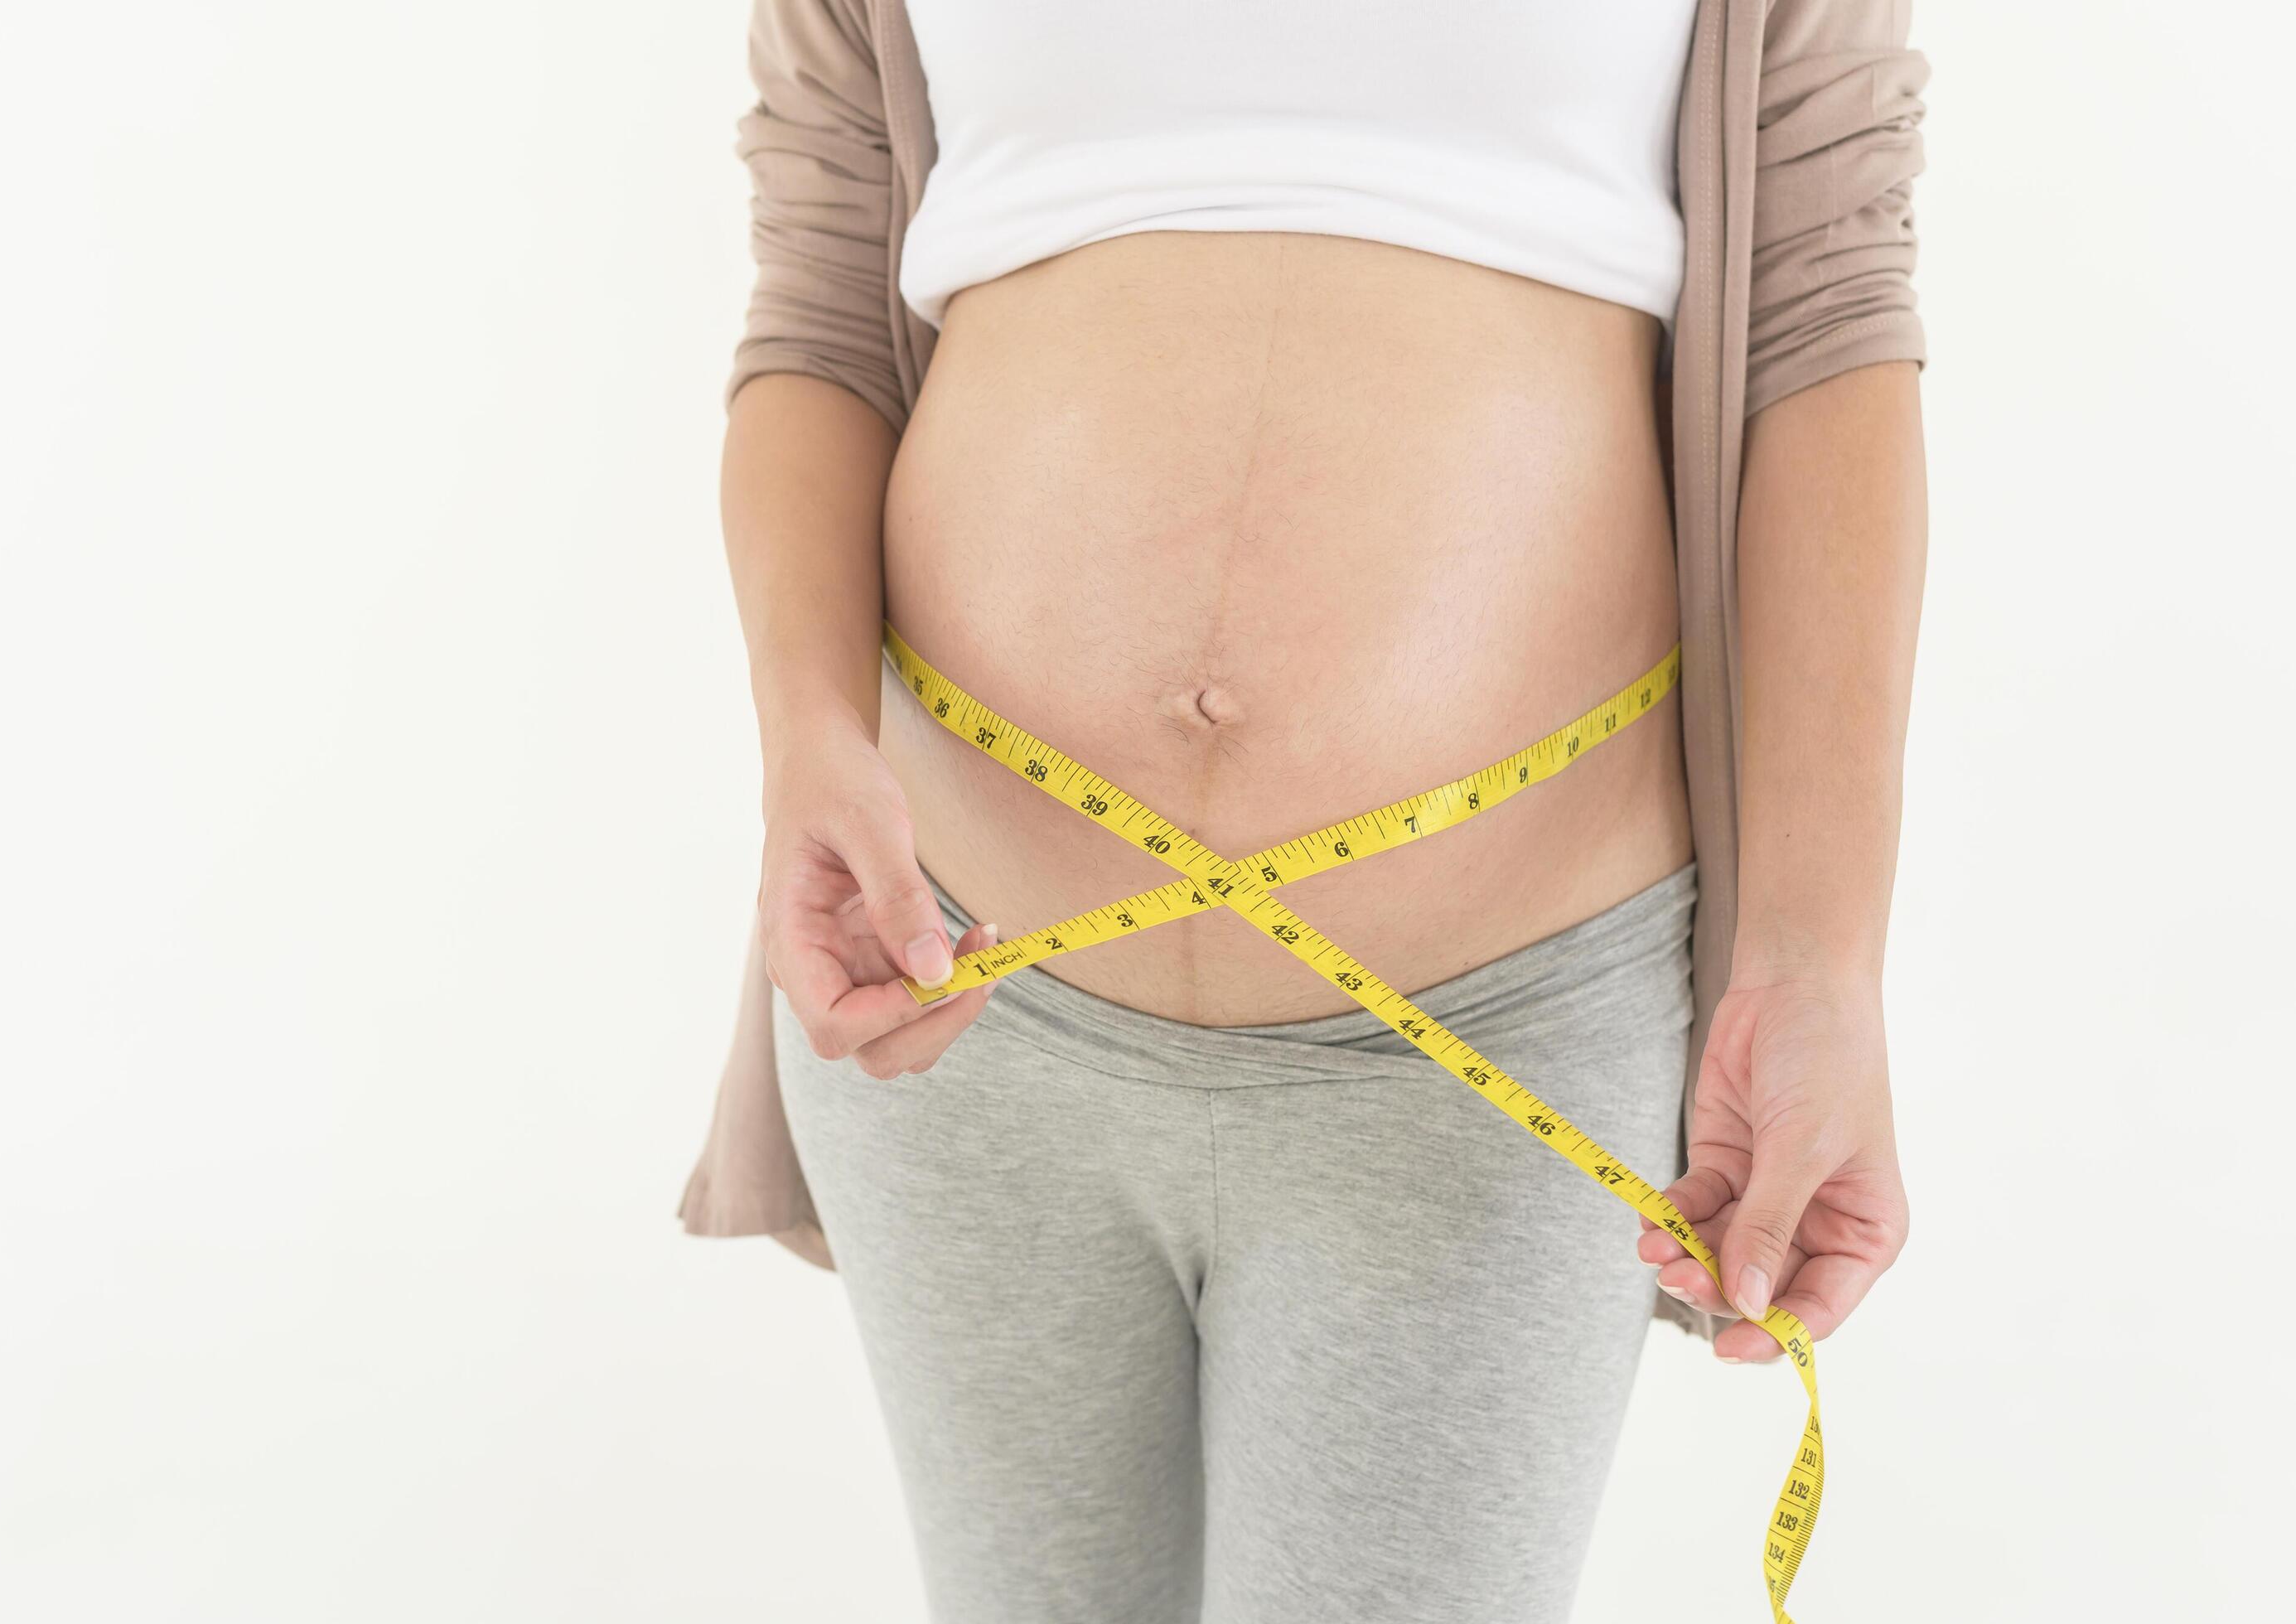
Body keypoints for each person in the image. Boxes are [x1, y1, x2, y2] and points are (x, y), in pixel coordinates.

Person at [679, 2, 1928, 1617]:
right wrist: (803, 741)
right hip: (970, 999)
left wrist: (1822, 957)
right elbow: (824, 307)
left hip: (1498, 1018)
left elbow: (1830, 320)